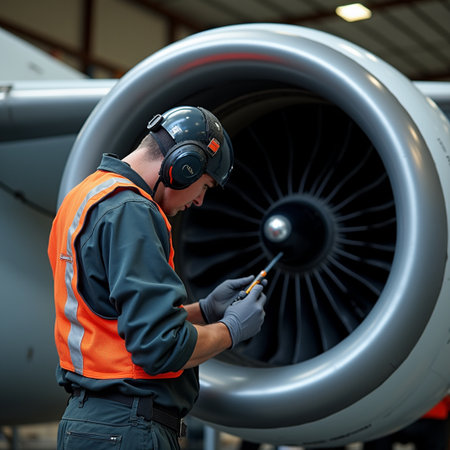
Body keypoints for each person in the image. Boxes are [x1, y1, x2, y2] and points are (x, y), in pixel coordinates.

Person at [48, 105, 267, 449]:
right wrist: (231, 330)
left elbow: (116, 320)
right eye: (205, 185)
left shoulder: (86, 196)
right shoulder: (132, 210)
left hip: (90, 420)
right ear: (184, 166)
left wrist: (205, 310)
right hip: (127, 426)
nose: (198, 201)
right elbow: (162, 348)